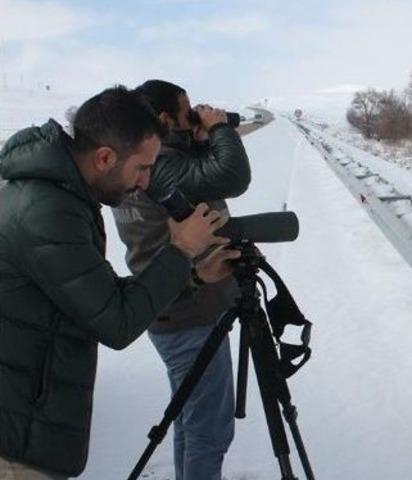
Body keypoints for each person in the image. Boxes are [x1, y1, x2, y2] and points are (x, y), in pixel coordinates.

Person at [0, 86, 238, 479]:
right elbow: (116, 322)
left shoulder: (61, 196)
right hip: (15, 446)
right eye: (142, 168)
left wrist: (194, 274)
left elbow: (105, 296)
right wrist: (180, 249)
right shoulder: (46, 211)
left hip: (26, 425)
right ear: (105, 158)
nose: (146, 183)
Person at [112, 79, 251, 480]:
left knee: (191, 420)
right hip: (191, 312)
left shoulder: (142, 163)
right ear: (162, 119)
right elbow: (231, 176)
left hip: (173, 310)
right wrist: (220, 129)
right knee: (209, 431)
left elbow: (200, 174)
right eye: (186, 110)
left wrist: (200, 134)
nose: (193, 116)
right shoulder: (162, 167)